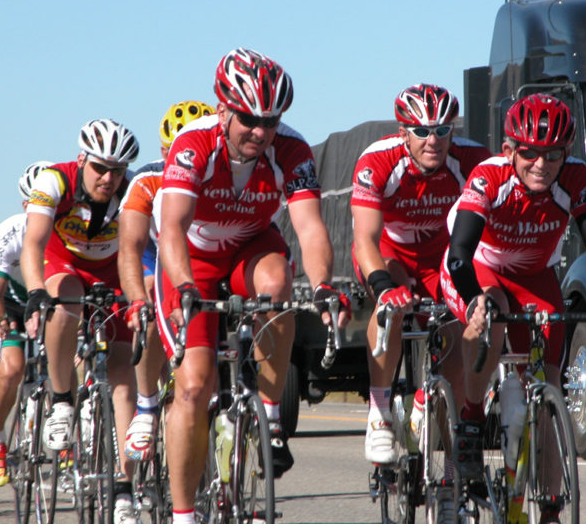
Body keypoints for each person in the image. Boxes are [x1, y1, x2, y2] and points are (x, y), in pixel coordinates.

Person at [156, 48, 350, 524]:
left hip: (248, 246)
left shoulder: (292, 150)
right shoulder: (192, 145)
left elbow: (308, 228)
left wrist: (324, 287)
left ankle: (269, 413)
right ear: (222, 108)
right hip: (193, 258)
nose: (261, 133)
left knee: (278, 280)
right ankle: (182, 515)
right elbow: (173, 228)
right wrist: (183, 286)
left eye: (271, 120)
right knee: (193, 388)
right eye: (248, 119)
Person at [440, 94, 586, 521]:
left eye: (553, 154)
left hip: (534, 276)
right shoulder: (488, 176)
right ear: (510, 150)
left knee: (547, 389)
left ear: (568, 153)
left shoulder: (577, 178)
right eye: (529, 152)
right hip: (479, 268)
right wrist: (475, 300)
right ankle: (470, 424)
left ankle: (548, 506)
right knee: (490, 318)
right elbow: (459, 253)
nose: (541, 164)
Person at [350, 83, 491, 464]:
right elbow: (364, 238)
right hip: (389, 251)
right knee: (391, 307)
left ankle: (435, 411)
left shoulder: (473, 160)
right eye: (422, 131)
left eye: (443, 130)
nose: (433, 140)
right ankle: (379, 414)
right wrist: (382, 287)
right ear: (403, 134)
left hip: (441, 256)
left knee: (463, 329)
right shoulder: (377, 161)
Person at [21, 119, 143, 524]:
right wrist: (37, 289)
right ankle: (60, 401)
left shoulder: (131, 190)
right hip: (63, 264)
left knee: (125, 376)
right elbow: (33, 242)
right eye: (100, 168)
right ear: (81, 160)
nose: (109, 178)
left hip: (112, 274)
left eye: (118, 170)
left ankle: (125, 489)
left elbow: (148, 244)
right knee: (65, 300)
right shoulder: (55, 181)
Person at [119, 100, 214, 462]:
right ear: (163, 151)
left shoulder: (218, 172)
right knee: (148, 304)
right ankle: (146, 406)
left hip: (204, 259)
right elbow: (131, 245)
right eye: (177, 151)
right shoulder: (148, 180)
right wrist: (136, 299)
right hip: (156, 255)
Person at [0, 161, 53, 486]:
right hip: (11, 305)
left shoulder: (68, 229)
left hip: (49, 301)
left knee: (68, 358)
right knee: (12, 367)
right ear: (25, 205)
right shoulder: (9, 232)